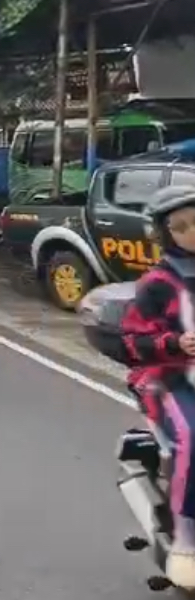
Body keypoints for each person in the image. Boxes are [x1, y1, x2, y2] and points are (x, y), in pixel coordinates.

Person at [120, 186, 195, 590]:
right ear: (167, 235)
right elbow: (132, 341)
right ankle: (187, 541)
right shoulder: (157, 284)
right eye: (182, 226)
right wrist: (174, 343)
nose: (194, 231)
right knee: (193, 436)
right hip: (167, 377)